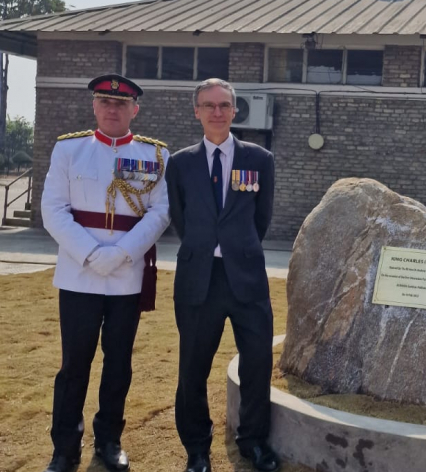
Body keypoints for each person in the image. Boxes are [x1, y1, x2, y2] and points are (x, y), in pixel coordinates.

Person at [40, 74, 170, 472]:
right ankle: (65, 447)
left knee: (118, 364)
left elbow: (161, 212)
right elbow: (53, 210)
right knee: (73, 364)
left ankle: (109, 440)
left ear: (135, 109)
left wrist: (123, 254)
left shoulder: (155, 155)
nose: (113, 109)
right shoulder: (69, 149)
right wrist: (92, 252)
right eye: (105, 102)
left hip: (126, 276)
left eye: (122, 103)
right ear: (95, 107)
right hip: (80, 273)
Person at [165, 78, 278, 472]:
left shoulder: (260, 159)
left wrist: (236, 247)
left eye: (224, 105)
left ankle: (253, 442)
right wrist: (207, 246)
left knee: (258, 363)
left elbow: (260, 218)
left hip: (246, 277)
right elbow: (181, 218)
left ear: (235, 110)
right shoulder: (179, 163)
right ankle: (197, 449)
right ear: (196, 111)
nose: (217, 112)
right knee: (192, 367)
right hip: (199, 280)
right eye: (209, 105)